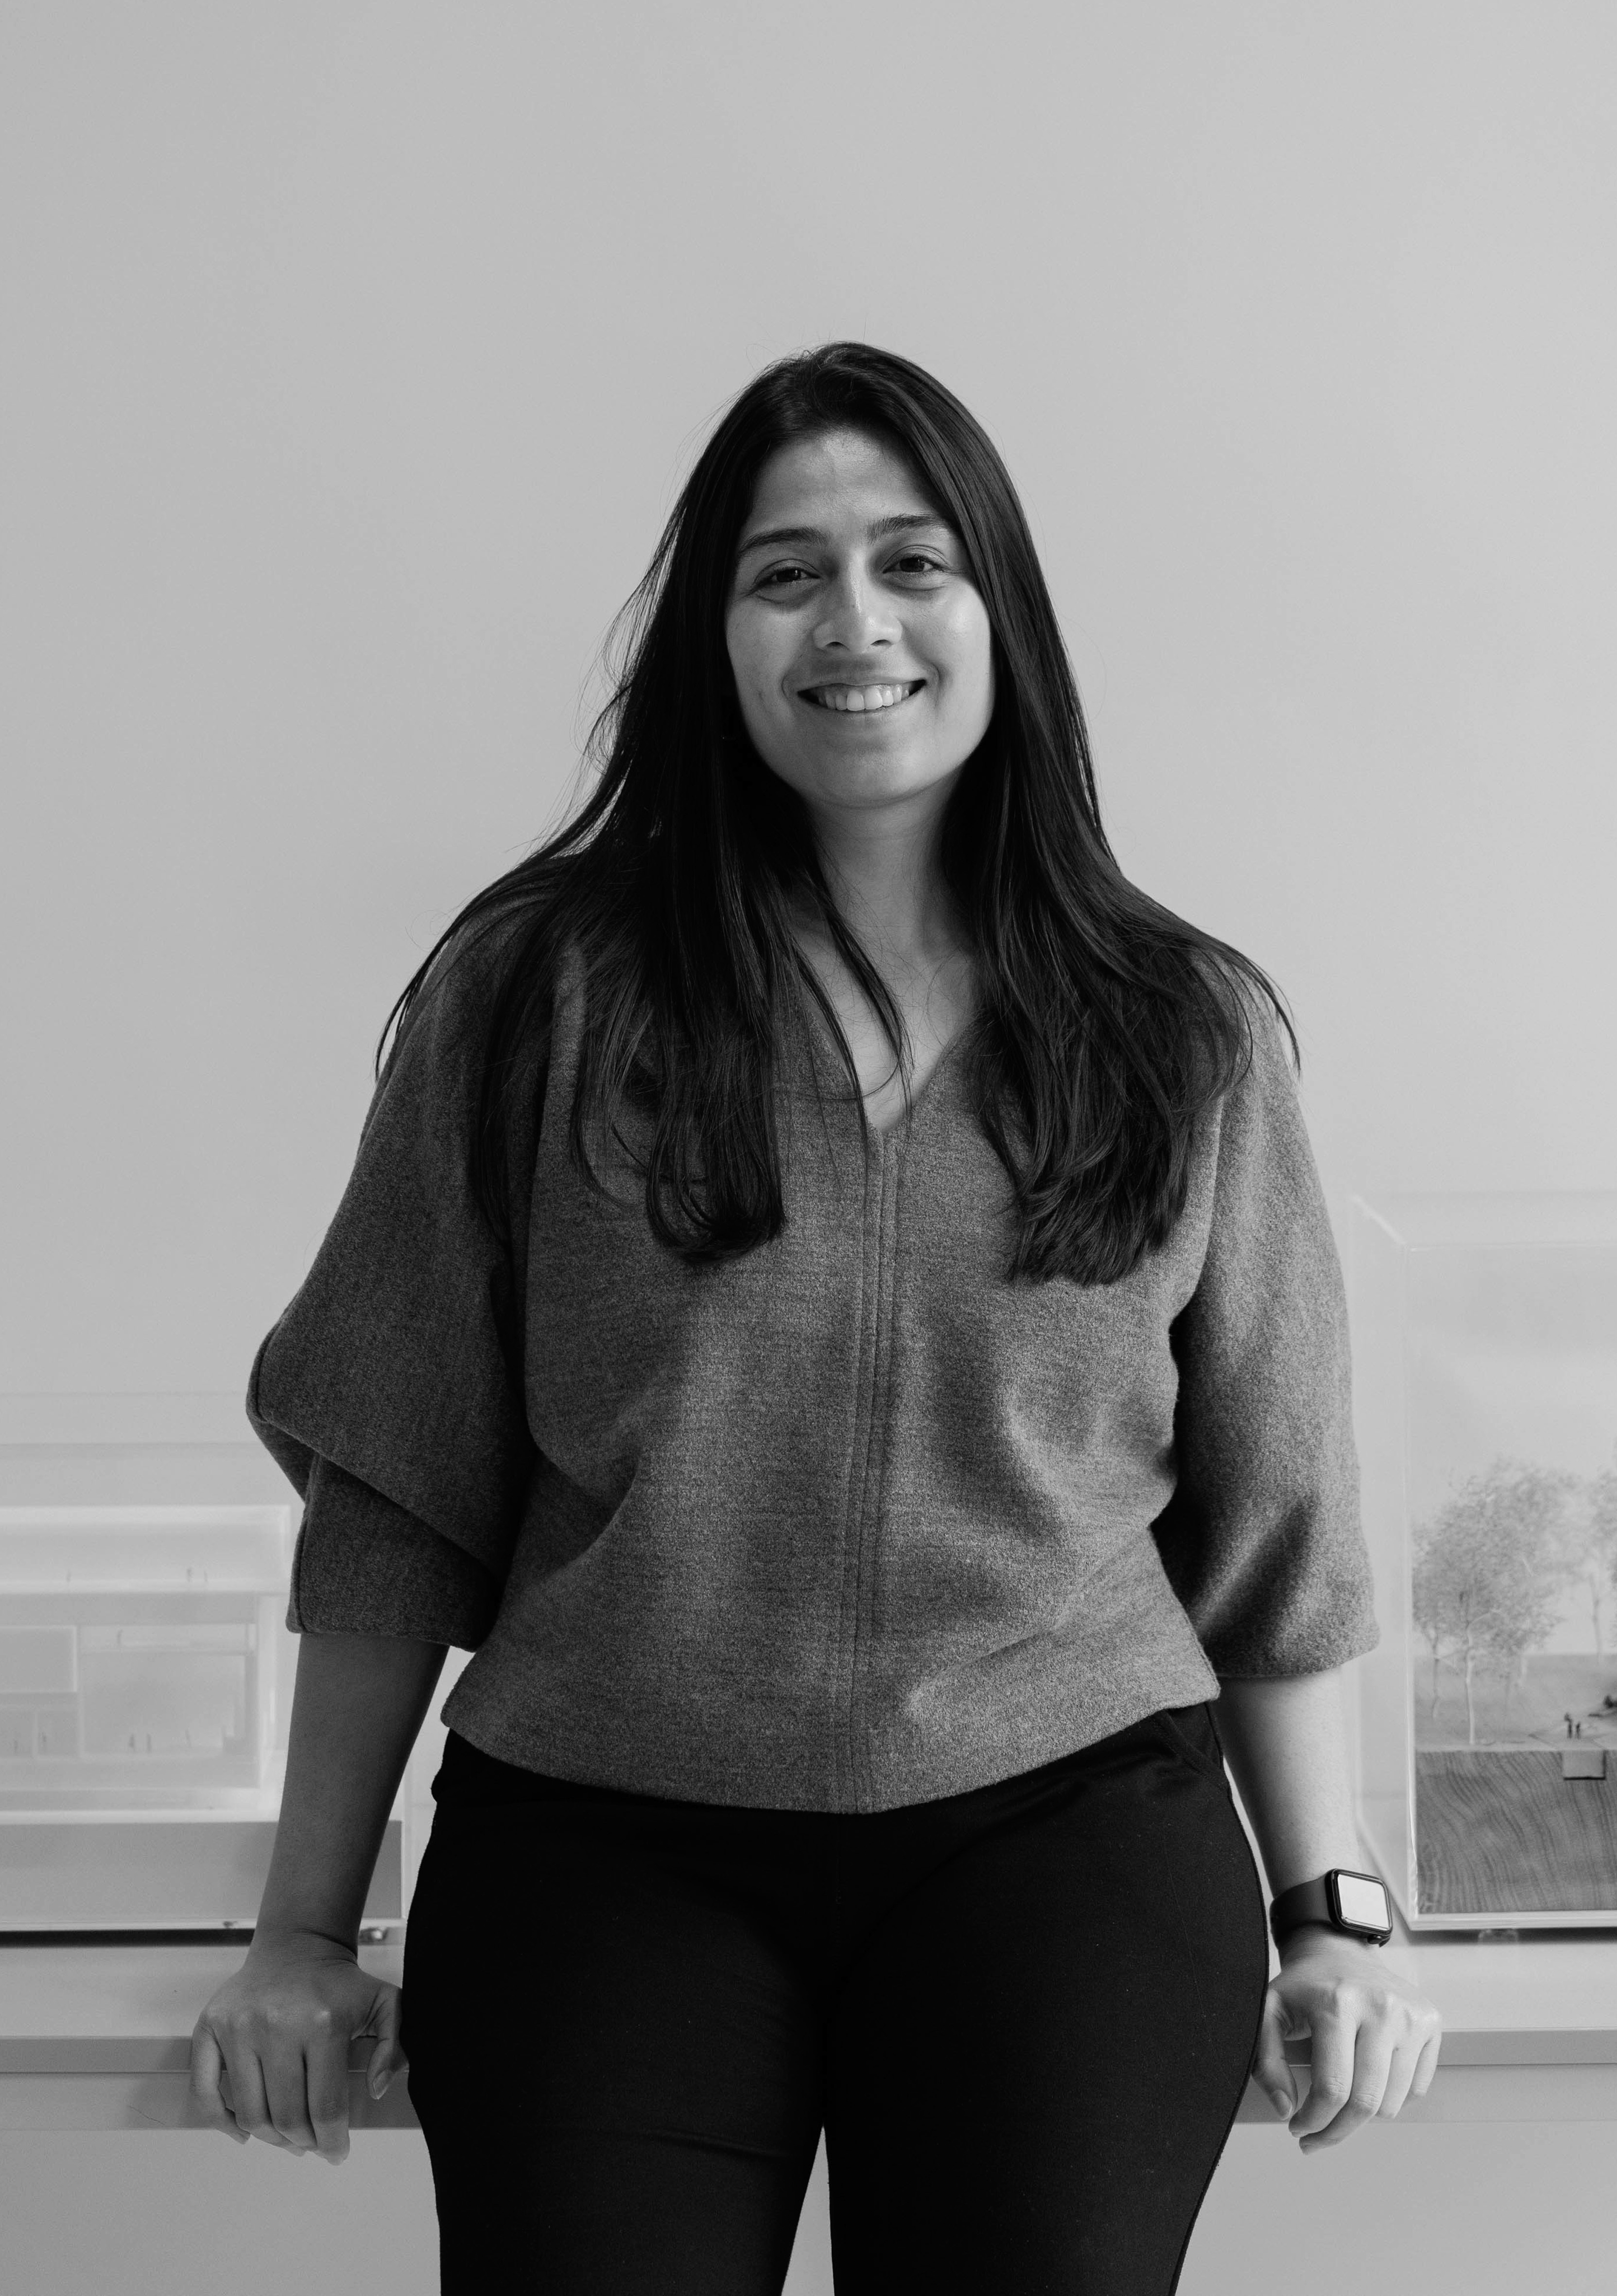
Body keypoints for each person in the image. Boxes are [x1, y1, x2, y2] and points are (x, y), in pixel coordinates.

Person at [191, 342, 1440, 2294]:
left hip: (1063, 1837)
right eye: (786, 574)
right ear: (715, 639)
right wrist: (301, 1931)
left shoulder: (1182, 1031)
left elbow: (1277, 1528)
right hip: (605, 1842)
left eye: (911, 562)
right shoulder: (533, 995)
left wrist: (1333, 1910)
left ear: (998, 614)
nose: (854, 620)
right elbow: (394, 1483)